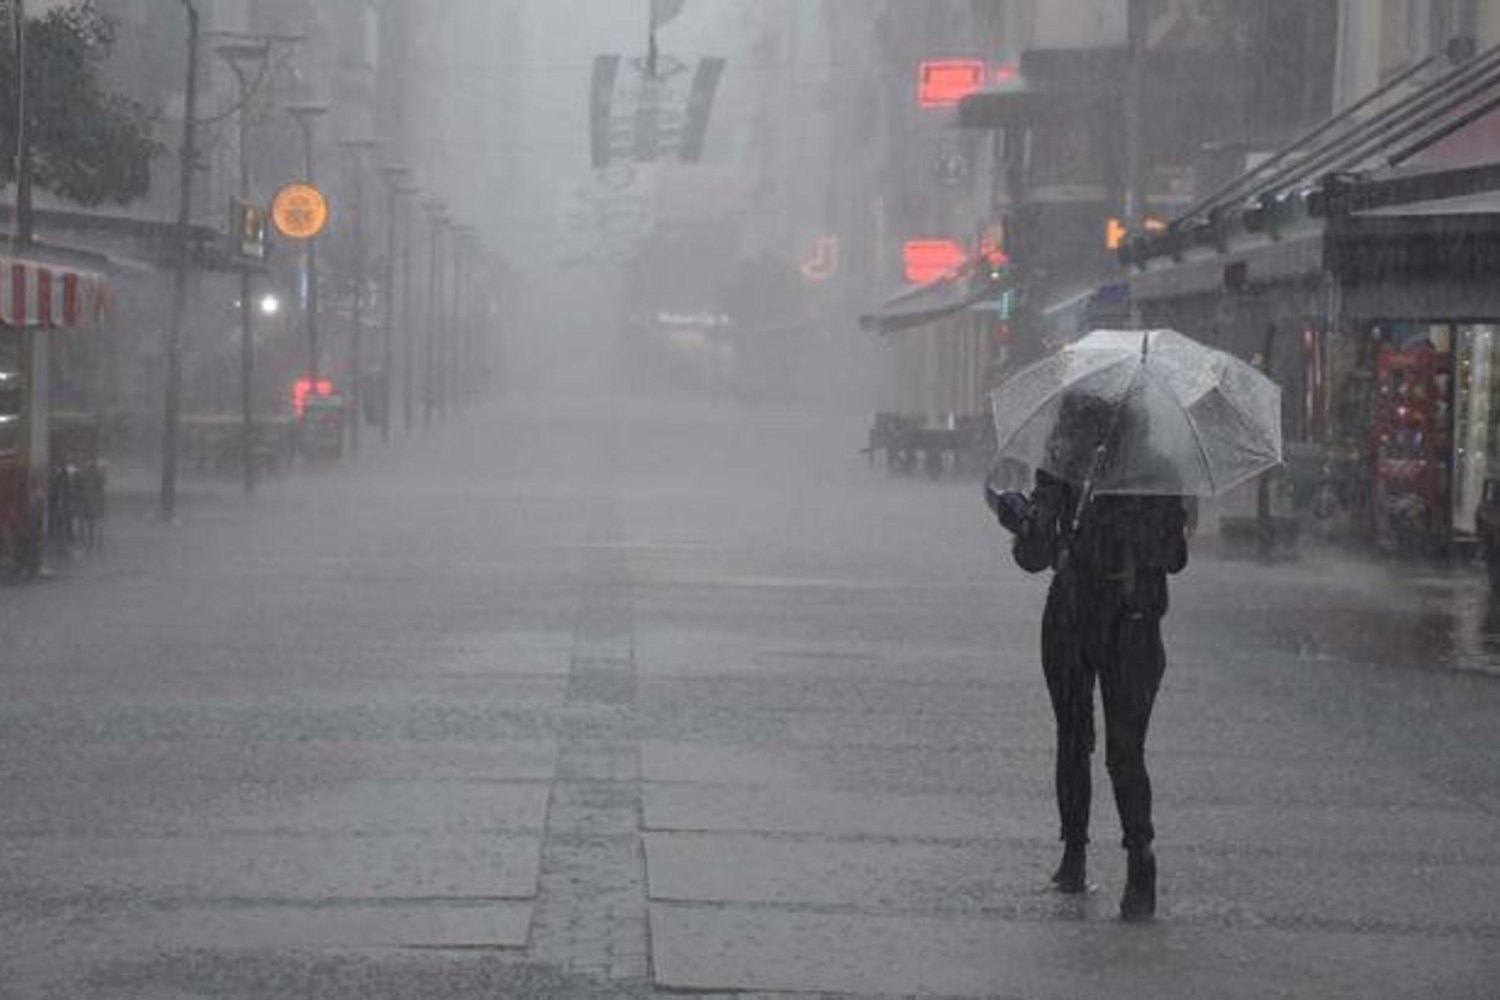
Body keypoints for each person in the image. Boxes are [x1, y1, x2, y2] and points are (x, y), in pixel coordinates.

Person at [986, 391, 1191, 922]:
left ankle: (1073, 857)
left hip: (1074, 617)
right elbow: (1174, 558)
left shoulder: (1064, 466)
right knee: (1127, 751)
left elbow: (1035, 555)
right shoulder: (1161, 470)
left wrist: (1017, 518)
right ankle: (1139, 862)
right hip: (1136, 624)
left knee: (1073, 739)